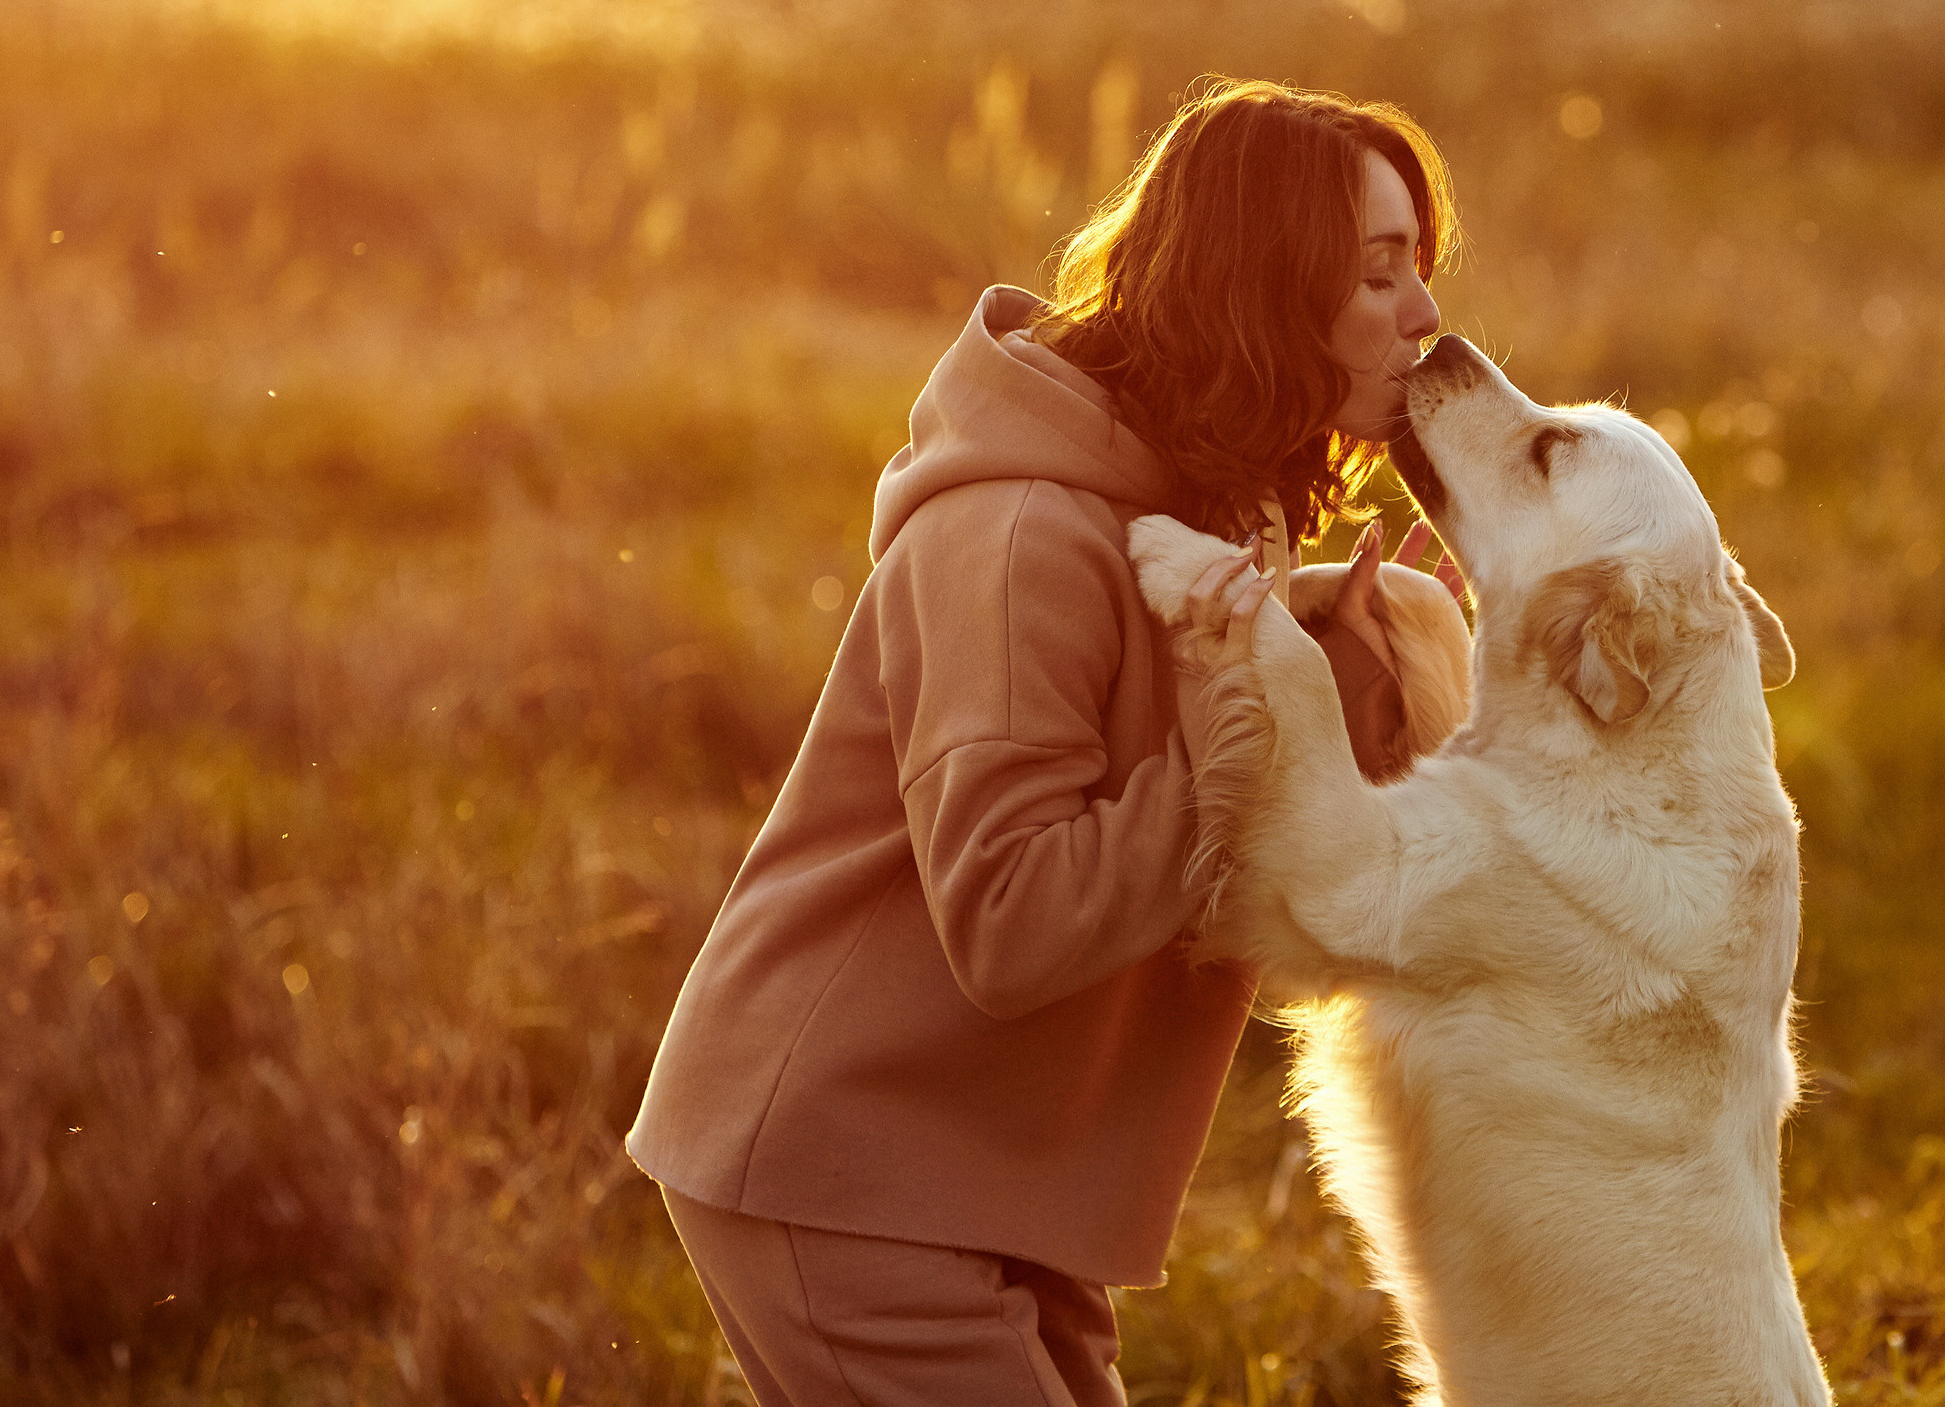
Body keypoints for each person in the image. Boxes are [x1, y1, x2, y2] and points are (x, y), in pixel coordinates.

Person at [626, 76, 1465, 1406]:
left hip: (997, 1172)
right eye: (1378, 277)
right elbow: (1013, 917)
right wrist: (1265, 722)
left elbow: (1198, 807)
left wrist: (1344, 675)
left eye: (1417, 268)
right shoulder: (1015, 535)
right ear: (1265, 291)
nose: (1423, 315)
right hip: (848, 1170)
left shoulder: (1217, 497)